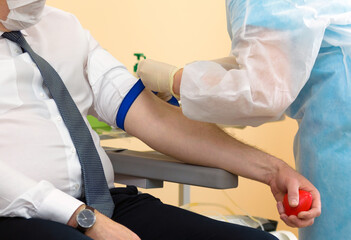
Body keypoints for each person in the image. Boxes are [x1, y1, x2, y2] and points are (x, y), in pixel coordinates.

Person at [0, 1, 321, 240]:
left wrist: (273, 170)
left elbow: (154, 118)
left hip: (104, 203)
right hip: (17, 215)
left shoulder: (63, 28)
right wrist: (85, 219)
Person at [136, 0, 351, 240]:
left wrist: (174, 80)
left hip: (341, 130)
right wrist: (184, 81)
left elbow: (262, 93)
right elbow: (271, 64)